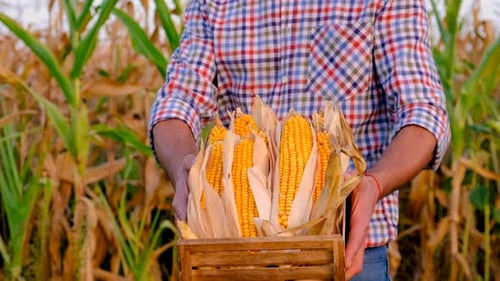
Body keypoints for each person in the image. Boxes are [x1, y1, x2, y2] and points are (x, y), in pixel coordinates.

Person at [148, 0, 451, 279]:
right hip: (239, 253)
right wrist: (183, 170)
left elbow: (423, 114)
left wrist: (374, 183)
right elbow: (176, 102)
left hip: (346, 253)